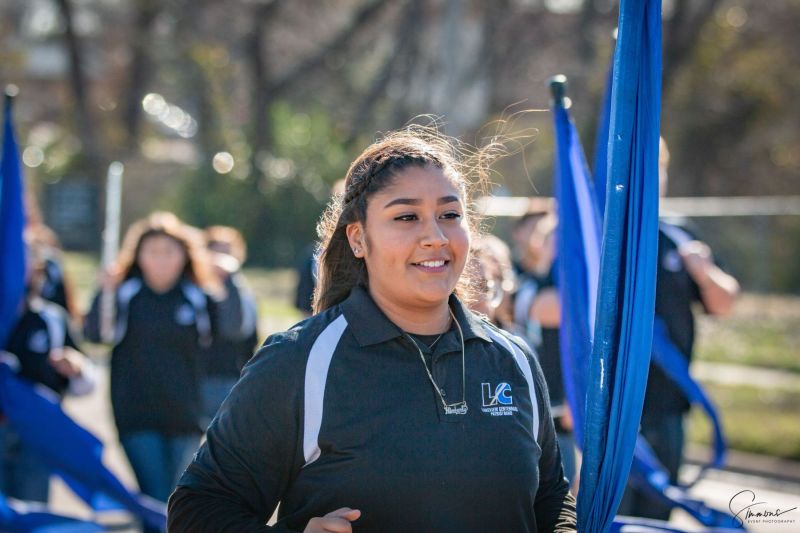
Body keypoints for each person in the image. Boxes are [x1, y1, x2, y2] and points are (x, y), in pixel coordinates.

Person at [168, 128, 577, 532]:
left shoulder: (513, 359)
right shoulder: (298, 362)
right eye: (406, 217)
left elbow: (551, 500)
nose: (435, 237)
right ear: (359, 238)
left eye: (450, 215)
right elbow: (198, 509)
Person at [83, 212, 247, 523]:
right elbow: (96, 334)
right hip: (137, 414)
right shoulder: (125, 295)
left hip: (185, 414)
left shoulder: (198, 297)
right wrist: (101, 292)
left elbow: (233, 329)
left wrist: (230, 277)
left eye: (169, 252)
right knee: (156, 497)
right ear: (138, 256)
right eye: (152, 252)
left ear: (184, 256)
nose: (161, 260)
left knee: (176, 499)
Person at [619, 138, 740, 520]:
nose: (652, 178)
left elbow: (724, 304)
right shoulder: (604, 234)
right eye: (641, 168)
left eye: (659, 168)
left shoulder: (681, 235)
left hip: (669, 404)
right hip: (616, 406)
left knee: (658, 515)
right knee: (611, 515)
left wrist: (704, 273)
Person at [0, 237, 96, 503]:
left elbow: (86, 383)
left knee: (34, 509)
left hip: (36, 434)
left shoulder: (51, 319)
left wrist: (76, 369)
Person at [511, 211, 577, 488]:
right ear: (542, 244)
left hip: (566, 414)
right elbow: (566, 310)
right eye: (557, 240)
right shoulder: (530, 289)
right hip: (537, 418)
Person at [200, 225, 259, 427]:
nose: (222, 259)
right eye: (217, 251)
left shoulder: (242, 290)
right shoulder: (199, 290)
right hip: (205, 377)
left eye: (228, 251)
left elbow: (247, 332)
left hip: (234, 376)